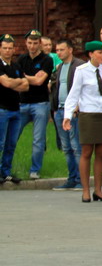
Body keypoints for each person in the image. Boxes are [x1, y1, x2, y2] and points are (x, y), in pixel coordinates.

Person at [62, 40, 102, 202]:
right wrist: (67, 116)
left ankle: (98, 190)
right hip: (88, 115)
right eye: (99, 52)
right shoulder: (81, 71)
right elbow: (73, 95)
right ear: (90, 54)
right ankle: (86, 190)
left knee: (101, 152)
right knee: (87, 152)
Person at [14, 30, 53, 181]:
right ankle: (6, 168)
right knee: (12, 136)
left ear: (40, 44)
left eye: (35, 43)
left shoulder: (47, 60)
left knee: (38, 139)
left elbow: (39, 82)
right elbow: (17, 80)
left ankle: (34, 170)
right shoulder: (21, 59)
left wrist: (24, 77)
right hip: (22, 103)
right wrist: (28, 78)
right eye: (30, 43)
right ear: (26, 43)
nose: (32, 46)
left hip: (40, 104)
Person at [50, 39, 84, 190]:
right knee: (66, 147)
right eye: (57, 50)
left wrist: (77, 107)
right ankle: (71, 178)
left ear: (70, 50)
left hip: (73, 111)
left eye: (61, 50)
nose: (58, 53)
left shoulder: (79, 66)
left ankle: (80, 179)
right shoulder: (59, 67)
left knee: (76, 146)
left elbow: (83, 89)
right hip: (59, 110)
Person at [0, 34, 29, 183]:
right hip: (2, 110)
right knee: (0, 143)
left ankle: (5, 172)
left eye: (10, 48)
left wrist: (13, 82)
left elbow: (26, 86)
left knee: (11, 144)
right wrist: (17, 82)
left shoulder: (16, 66)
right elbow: (6, 83)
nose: (7, 51)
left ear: (14, 49)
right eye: (5, 48)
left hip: (16, 109)